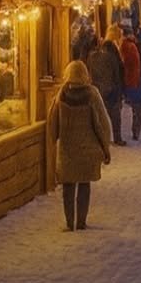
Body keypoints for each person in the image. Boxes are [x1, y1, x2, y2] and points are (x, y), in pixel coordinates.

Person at [48, 59, 111, 231]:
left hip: (67, 150)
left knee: (68, 187)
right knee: (84, 184)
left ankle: (69, 223)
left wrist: (53, 140)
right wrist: (105, 147)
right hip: (87, 148)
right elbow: (101, 123)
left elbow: (53, 122)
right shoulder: (92, 94)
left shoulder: (61, 95)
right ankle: (81, 221)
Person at [87, 24, 126, 145]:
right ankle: (117, 138)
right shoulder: (113, 55)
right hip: (111, 89)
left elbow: (90, 71)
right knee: (115, 115)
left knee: (99, 115)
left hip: (97, 88)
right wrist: (120, 89)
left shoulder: (93, 56)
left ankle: (99, 138)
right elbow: (118, 73)